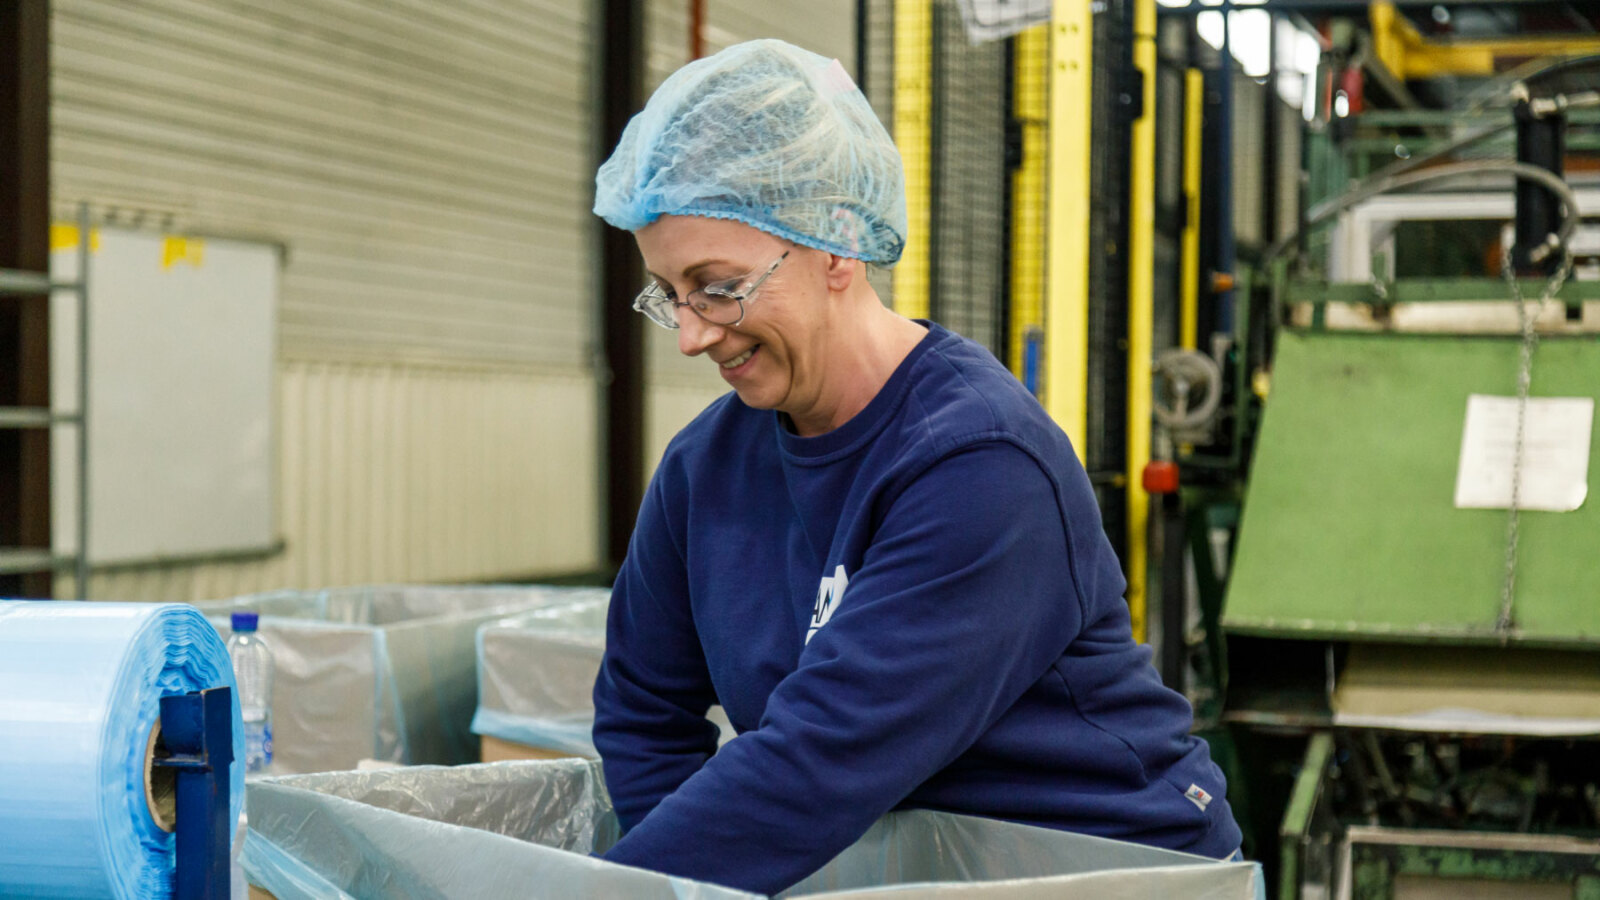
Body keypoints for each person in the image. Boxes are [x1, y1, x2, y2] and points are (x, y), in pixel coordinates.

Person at [590, 38, 1241, 896]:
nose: (691, 333)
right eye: (670, 294)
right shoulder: (704, 471)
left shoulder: (979, 465)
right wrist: (672, 889)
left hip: (1106, 871)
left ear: (835, 243)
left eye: (719, 287)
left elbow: (819, 760)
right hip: (903, 872)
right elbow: (643, 709)